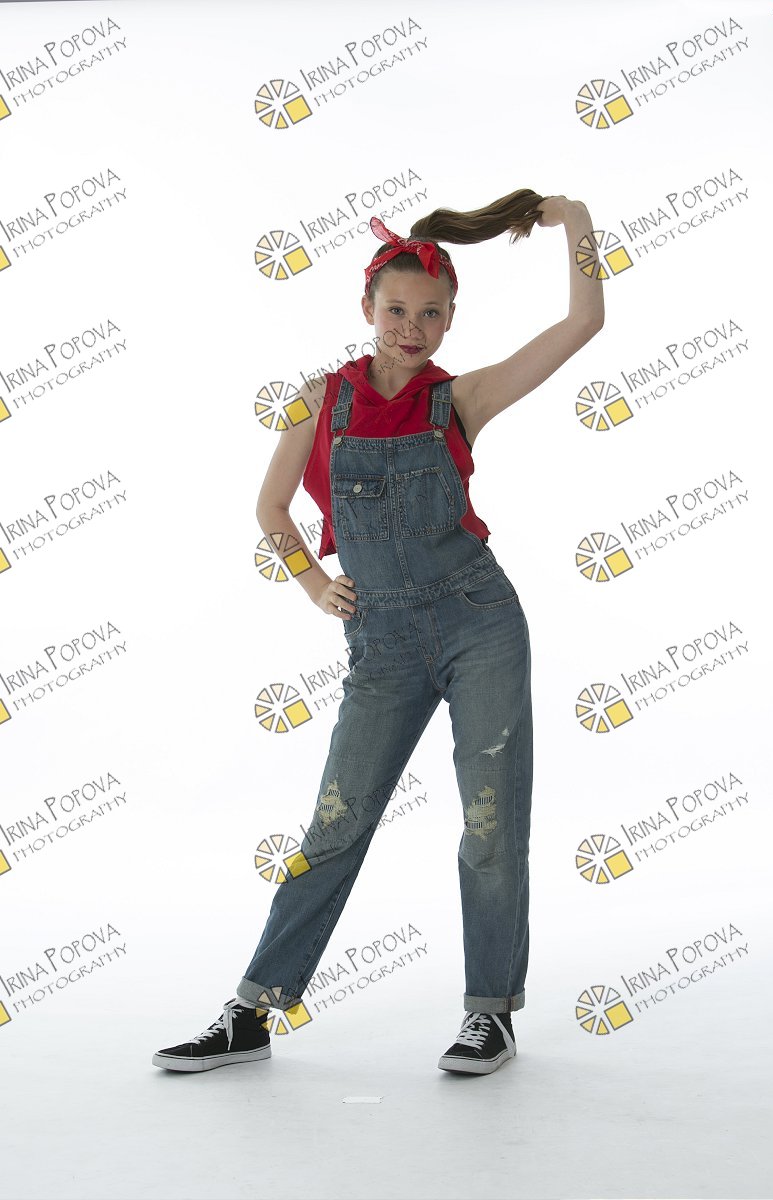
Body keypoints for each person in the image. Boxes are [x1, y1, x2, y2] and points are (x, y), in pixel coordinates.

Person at [152, 189, 604, 1076]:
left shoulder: (462, 398)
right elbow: (270, 509)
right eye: (396, 310)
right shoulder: (319, 401)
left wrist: (577, 222)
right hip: (383, 648)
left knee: (489, 822)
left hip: (479, 627)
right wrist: (316, 585)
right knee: (337, 819)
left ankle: (490, 1015)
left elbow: (584, 322)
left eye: (431, 314)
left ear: (450, 320)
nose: (412, 328)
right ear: (366, 307)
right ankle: (251, 1012)